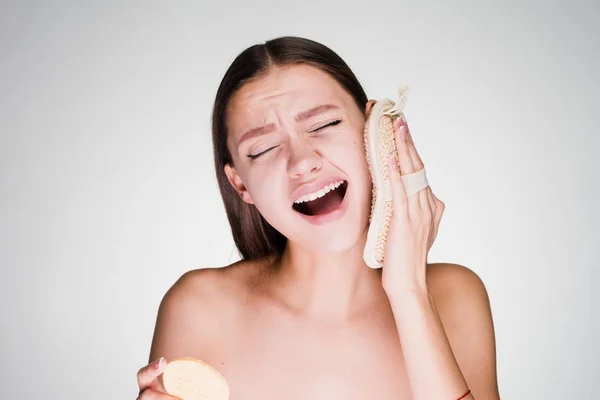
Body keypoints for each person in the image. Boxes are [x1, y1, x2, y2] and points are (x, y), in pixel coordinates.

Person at [135, 36, 500, 399]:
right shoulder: (199, 309)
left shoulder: (455, 296)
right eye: (263, 149)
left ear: (375, 129)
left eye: (324, 125)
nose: (302, 161)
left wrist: (410, 293)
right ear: (239, 184)